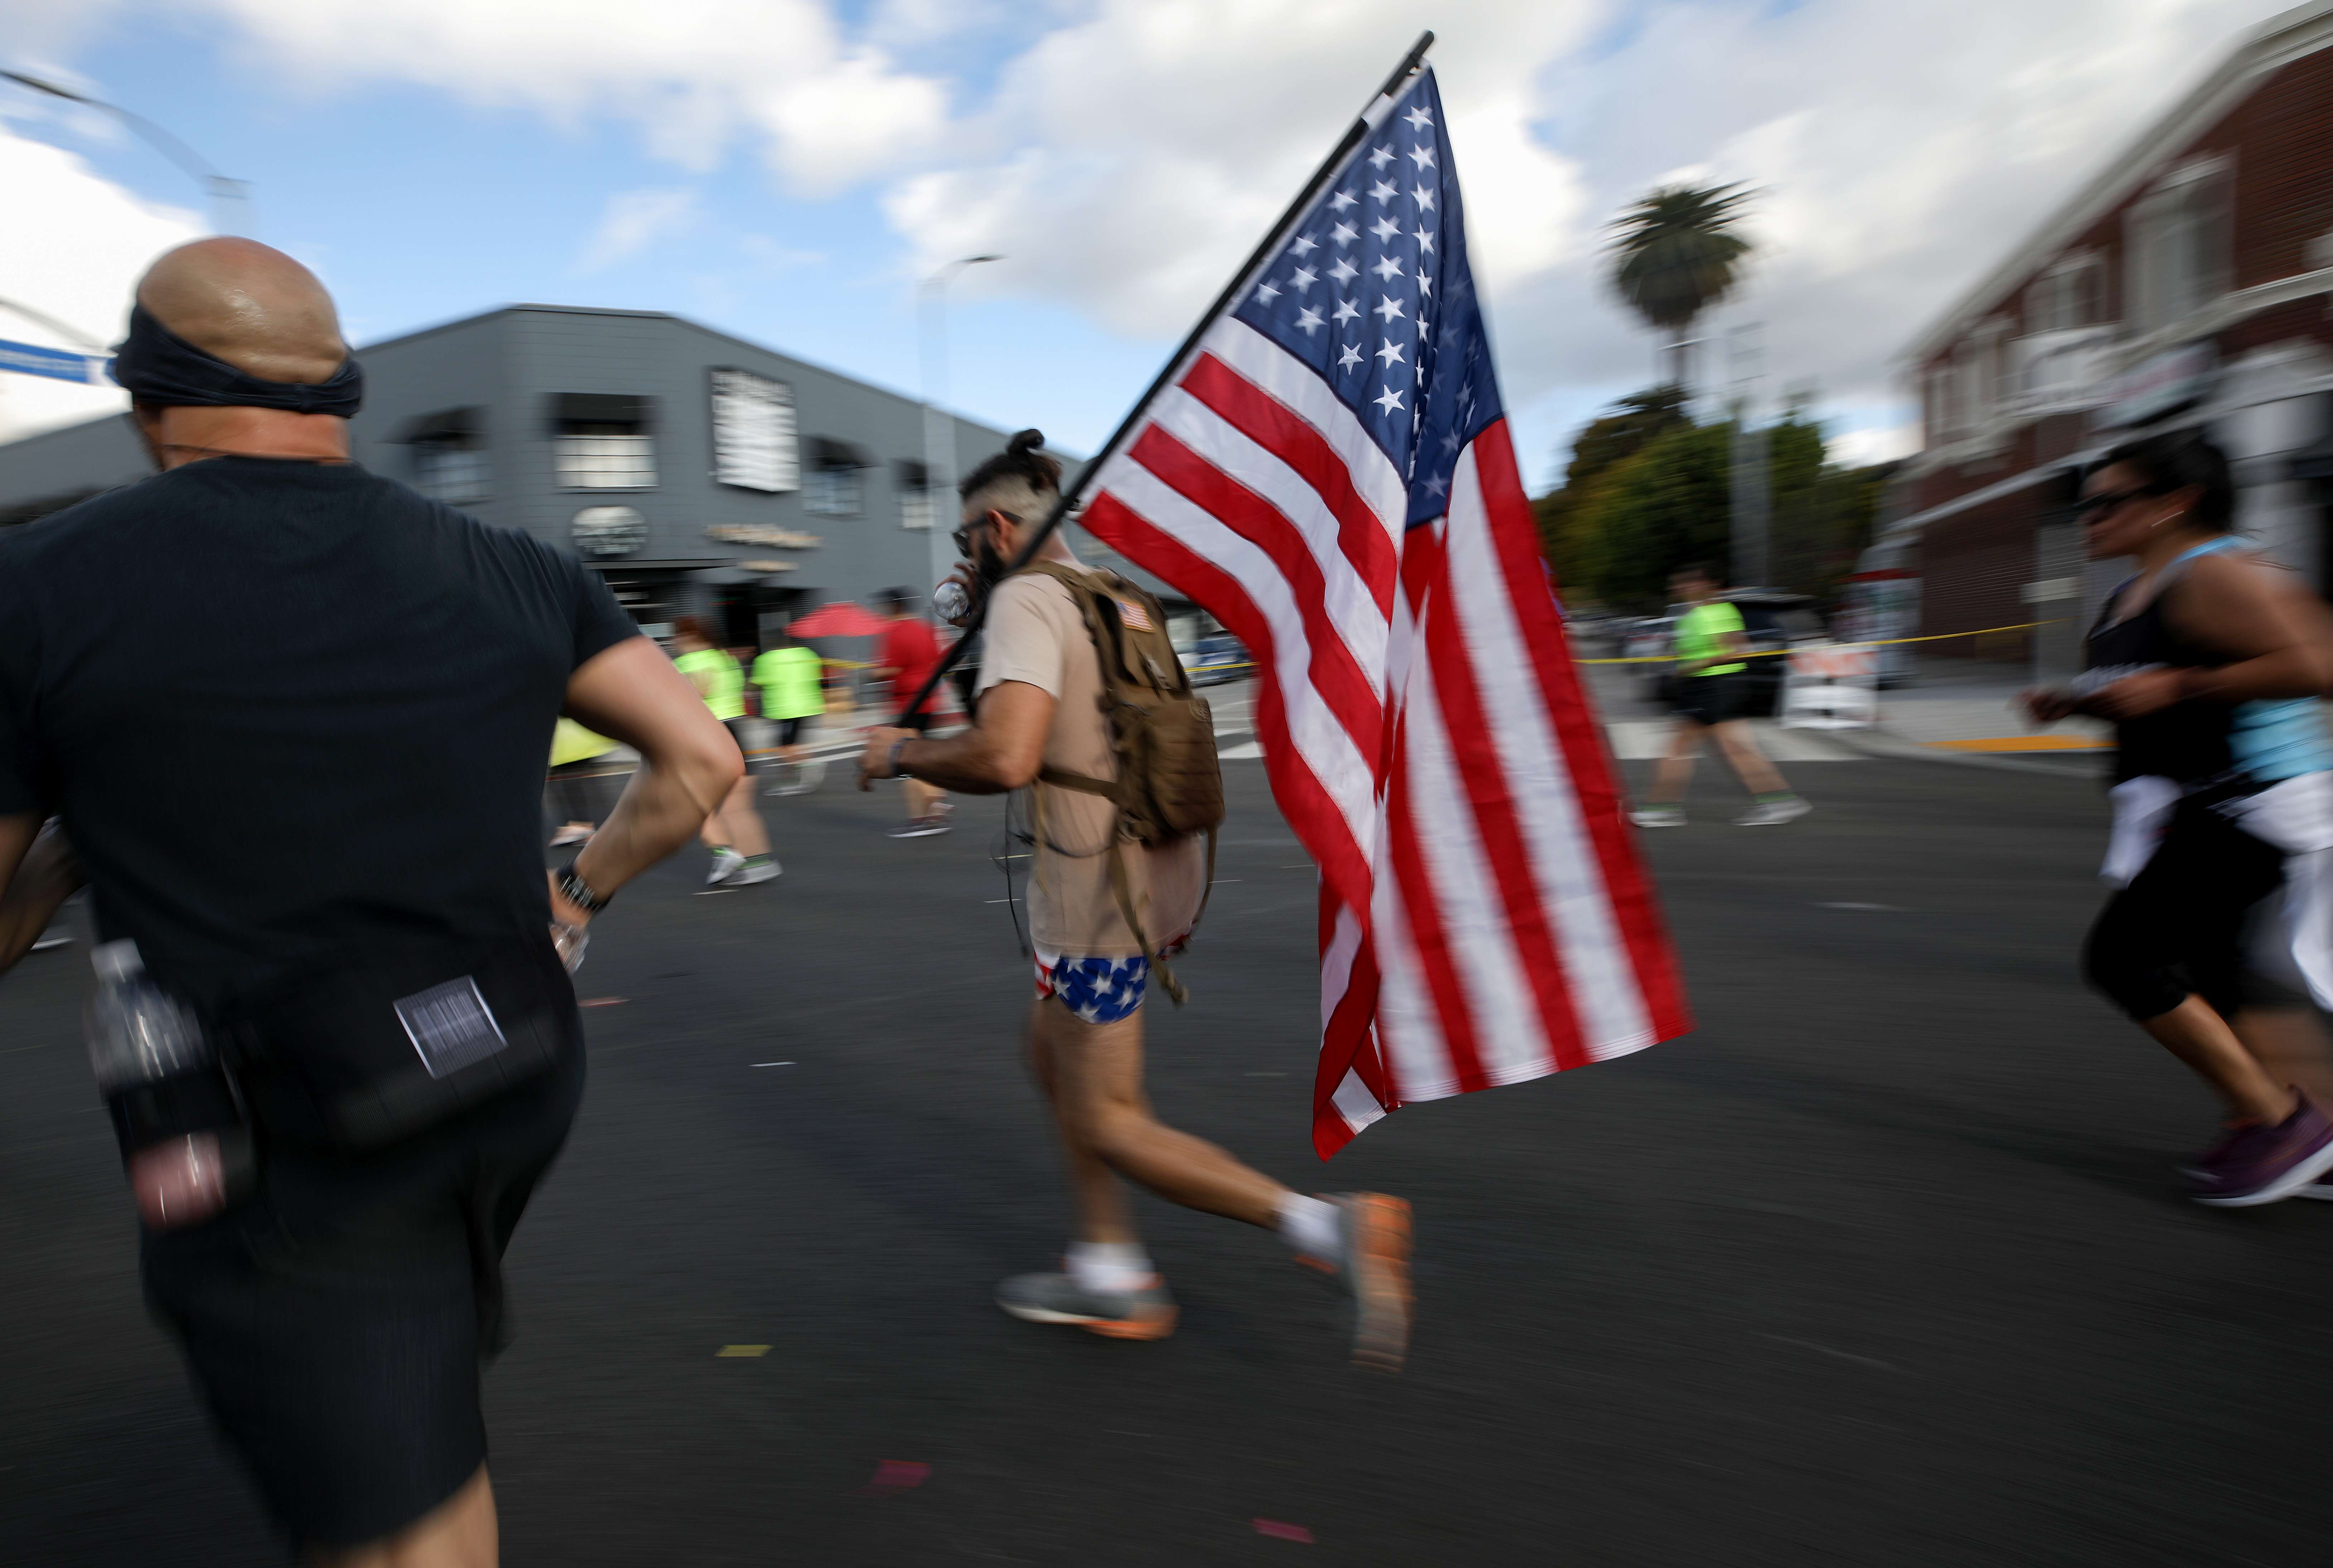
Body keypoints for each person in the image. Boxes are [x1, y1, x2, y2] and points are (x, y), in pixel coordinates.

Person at [0, 238, 742, 1564]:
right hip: (509, 1060)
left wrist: (67, 849)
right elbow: (702, 762)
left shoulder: (40, 588)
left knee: (385, 1510)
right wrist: (575, 896)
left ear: (145, 398)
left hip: (289, 1115)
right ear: (336, 389)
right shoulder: (516, 565)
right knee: (414, 1423)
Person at [858, 429, 1413, 1369]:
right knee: (1047, 1055)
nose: (962, 559)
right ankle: (1106, 1259)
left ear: (998, 527)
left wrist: (898, 751)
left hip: (1092, 895)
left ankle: (1327, 1227)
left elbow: (1004, 755)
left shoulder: (1031, 598)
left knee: (1108, 1112)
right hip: (1155, 868)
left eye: (967, 539)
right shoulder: (1118, 593)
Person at [2021, 431, 2333, 1205]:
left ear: (2174, 503)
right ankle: (2307, 1131)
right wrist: (2075, 699)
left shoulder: (2216, 572)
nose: (2088, 517)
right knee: (2221, 975)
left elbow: (2314, 666)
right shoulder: (2136, 587)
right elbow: (2140, 681)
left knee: (2124, 958)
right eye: (2083, 504)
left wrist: (2178, 688)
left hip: (2255, 800)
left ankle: (2278, 1122)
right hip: (2197, 800)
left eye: (2107, 502)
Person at [1629, 563, 1811, 829]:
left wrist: (1691, 666)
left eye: (1687, 583)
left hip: (1715, 684)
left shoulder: (1718, 612)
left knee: (1680, 748)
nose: (1679, 588)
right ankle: (1779, 801)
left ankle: (1661, 808)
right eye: (1679, 584)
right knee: (1735, 749)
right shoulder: (1693, 615)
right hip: (1706, 686)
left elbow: (1736, 650)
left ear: (1706, 585)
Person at [671, 616, 779, 884]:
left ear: (686, 636)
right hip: (738, 733)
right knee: (738, 808)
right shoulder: (725, 659)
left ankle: (724, 852)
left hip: (708, 735)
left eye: (676, 636)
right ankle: (761, 863)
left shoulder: (688, 662)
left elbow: (697, 692)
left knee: (693, 805)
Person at [869, 588, 953, 838]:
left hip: (906, 702)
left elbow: (891, 668)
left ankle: (923, 814)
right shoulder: (926, 629)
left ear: (892, 607)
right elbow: (940, 660)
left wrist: (874, 673)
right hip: (929, 701)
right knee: (922, 756)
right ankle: (936, 806)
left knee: (903, 760)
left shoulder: (894, 633)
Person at [750, 633, 826, 796]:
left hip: (784, 709)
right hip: (809, 706)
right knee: (792, 745)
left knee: (783, 748)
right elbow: (818, 678)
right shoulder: (807, 654)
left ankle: (810, 766)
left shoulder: (766, 659)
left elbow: (757, 684)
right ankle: (790, 779)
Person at [546, 716, 624, 846]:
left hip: (572, 745)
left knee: (571, 788)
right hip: (578, 743)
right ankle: (588, 828)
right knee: (581, 787)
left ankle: (581, 829)